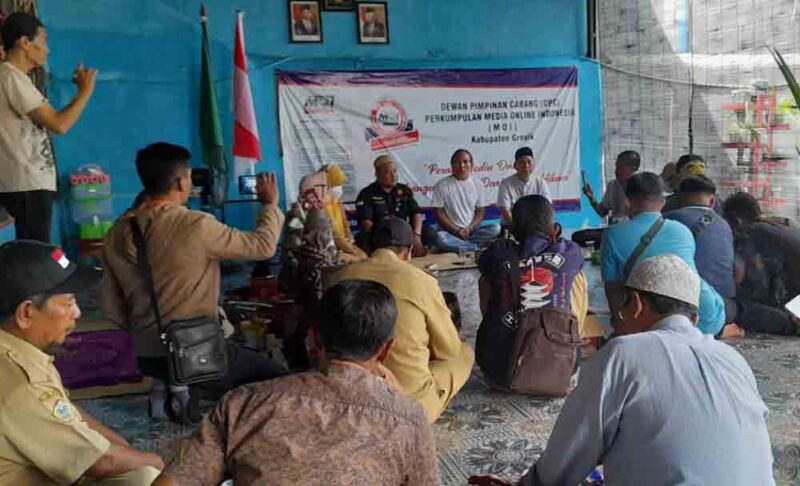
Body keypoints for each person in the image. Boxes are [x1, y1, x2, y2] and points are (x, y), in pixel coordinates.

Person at [469, 255, 774, 486]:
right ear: (693, 319)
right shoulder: (733, 360)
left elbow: (559, 470)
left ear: (636, 305)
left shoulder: (623, 354)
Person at [155, 280, 440, 486]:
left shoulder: (242, 403)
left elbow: (176, 480)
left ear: (313, 339)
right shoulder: (408, 420)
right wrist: (402, 403)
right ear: (386, 350)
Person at [101, 143, 287, 405]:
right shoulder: (195, 224)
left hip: (148, 355)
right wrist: (270, 204)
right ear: (180, 182)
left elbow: (111, 306)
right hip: (200, 351)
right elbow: (263, 246)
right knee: (281, 382)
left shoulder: (115, 233)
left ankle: (179, 391)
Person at [0, 240, 164, 485]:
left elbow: (68, 413)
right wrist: (162, 465)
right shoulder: (21, 385)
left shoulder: (15, 350)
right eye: (68, 302)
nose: (77, 313)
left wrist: (121, 448)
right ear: (26, 313)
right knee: (146, 477)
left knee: (134, 467)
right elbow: (102, 463)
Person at [329, 216, 474, 422]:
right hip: (407, 407)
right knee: (463, 352)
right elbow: (448, 350)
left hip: (344, 398)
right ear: (408, 252)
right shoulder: (421, 280)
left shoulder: (338, 277)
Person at [0, 13, 97, 242]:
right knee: (36, 255)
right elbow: (59, 124)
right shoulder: (10, 77)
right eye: (43, 40)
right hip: (25, 183)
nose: (47, 49)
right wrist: (84, 92)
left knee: (33, 252)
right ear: (24, 42)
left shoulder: (17, 78)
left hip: (29, 183)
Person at [476, 195, 587, 386]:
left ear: (512, 230)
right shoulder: (570, 251)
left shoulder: (497, 253)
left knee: (487, 279)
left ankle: (499, 333)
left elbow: (484, 260)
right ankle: (571, 335)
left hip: (500, 371)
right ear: (554, 230)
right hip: (561, 368)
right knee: (576, 277)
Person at [601, 172, 725, 335]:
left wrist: (620, 325)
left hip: (654, 320)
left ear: (627, 202)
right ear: (663, 202)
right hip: (707, 314)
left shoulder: (613, 235)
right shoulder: (682, 230)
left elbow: (613, 289)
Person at [664, 175, 741, 337]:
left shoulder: (670, 221)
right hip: (728, 309)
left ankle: (715, 330)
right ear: (712, 201)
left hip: (688, 310)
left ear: (679, 199)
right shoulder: (725, 225)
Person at [723, 192, 800, 335]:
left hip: (797, 308)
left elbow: (762, 281)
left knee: (739, 308)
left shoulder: (752, 232)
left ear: (735, 220)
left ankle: (793, 325)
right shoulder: (781, 223)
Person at [355, 154, 432, 256]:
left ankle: (414, 249)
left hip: (403, 232)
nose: (393, 175)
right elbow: (366, 223)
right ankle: (390, 254)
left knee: (429, 232)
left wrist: (416, 236)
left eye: (395, 171)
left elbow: (416, 213)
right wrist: (387, 239)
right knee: (362, 239)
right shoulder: (367, 193)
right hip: (381, 235)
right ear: (377, 174)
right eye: (388, 172)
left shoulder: (403, 190)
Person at [432, 149, 501, 252]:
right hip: (450, 231)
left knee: (496, 228)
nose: (462, 166)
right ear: (452, 166)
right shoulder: (441, 185)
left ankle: (462, 246)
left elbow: (480, 212)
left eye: (465, 162)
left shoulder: (478, 184)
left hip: (472, 230)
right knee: (440, 238)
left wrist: (470, 228)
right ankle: (474, 247)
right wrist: (456, 230)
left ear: (471, 165)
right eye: (457, 162)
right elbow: (439, 213)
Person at [497, 146, 551, 226]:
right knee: (495, 229)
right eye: (522, 162)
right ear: (515, 166)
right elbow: (505, 210)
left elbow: (547, 208)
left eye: (529, 162)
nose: (526, 166)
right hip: (513, 226)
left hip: (535, 227)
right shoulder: (506, 183)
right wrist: (517, 229)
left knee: (556, 227)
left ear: (534, 164)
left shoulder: (541, 183)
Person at [324, 164, 367, 263]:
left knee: (363, 256)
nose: (339, 188)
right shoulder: (322, 206)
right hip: (333, 246)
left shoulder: (337, 202)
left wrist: (350, 240)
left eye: (340, 185)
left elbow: (345, 224)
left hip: (345, 244)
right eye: (336, 184)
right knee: (361, 258)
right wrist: (350, 249)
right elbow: (333, 234)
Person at [582, 150, 640, 224]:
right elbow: (602, 212)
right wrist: (591, 197)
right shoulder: (612, 185)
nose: (617, 170)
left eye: (621, 166)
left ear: (634, 168)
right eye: (616, 165)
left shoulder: (641, 187)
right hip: (614, 230)